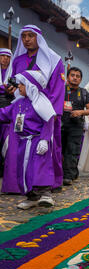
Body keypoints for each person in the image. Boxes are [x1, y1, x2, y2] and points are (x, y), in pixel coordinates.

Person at [7, 25, 65, 193]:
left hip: (45, 111)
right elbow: (16, 84)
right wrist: (12, 90)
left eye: (30, 35)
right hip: (22, 110)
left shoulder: (54, 60)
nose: (26, 39)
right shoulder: (17, 60)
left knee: (46, 148)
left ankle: (48, 183)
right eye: (24, 36)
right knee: (18, 146)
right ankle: (18, 184)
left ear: (38, 38)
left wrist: (53, 113)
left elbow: (58, 88)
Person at [0, 70, 56, 209]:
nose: (19, 87)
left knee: (39, 168)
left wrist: (45, 140)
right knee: (24, 169)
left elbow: (48, 121)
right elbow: (4, 113)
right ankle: (32, 197)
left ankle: (46, 195)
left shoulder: (41, 103)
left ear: (31, 85)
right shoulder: (18, 103)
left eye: (22, 84)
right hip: (23, 143)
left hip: (38, 142)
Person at [61, 67, 89, 186]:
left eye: (78, 76)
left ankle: (68, 175)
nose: (75, 77)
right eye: (72, 75)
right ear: (68, 77)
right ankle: (70, 172)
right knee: (61, 150)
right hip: (61, 124)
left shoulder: (84, 92)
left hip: (76, 126)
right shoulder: (61, 89)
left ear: (80, 79)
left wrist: (80, 112)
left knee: (72, 150)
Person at [0, 48, 13, 178]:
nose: (5, 59)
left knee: (7, 141)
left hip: (8, 110)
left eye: (8, 56)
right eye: (2, 56)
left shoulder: (13, 73)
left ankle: (5, 170)